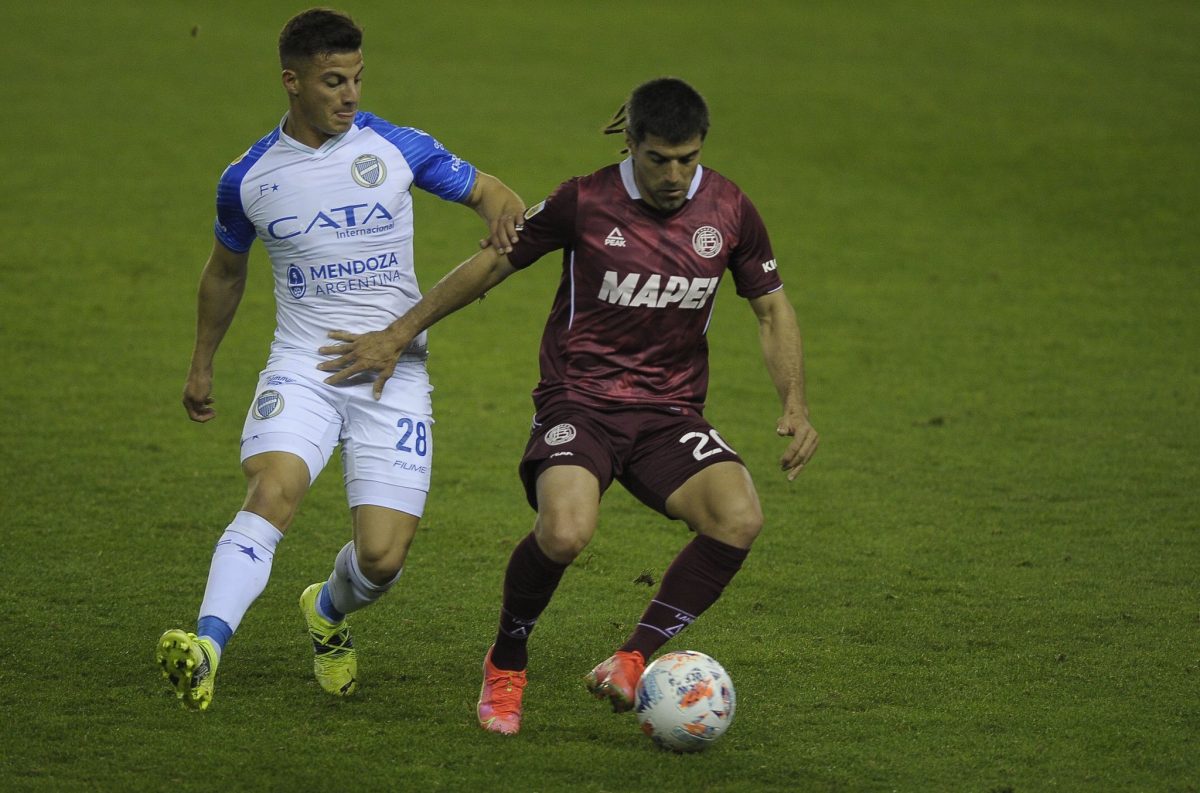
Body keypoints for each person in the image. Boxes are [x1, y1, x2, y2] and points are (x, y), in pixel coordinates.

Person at [318, 77, 818, 734]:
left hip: (669, 414)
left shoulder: (729, 209)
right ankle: (506, 661)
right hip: (578, 402)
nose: (674, 174)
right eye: (659, 158)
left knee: (738, 516)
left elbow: (771, 307)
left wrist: (795, 402)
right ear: (631, 143)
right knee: (565, 530)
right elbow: (491, 264)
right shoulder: (584, 200)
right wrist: (399, 333)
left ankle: (633, 658)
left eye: (687, 158)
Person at [155, 7, 524, 711]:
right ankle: (206, 646)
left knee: (382, 559)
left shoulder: (397, 146)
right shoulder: (248, 178)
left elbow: (493, 195)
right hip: (308, 365)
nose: (350, 95)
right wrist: (202, 362)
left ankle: (326, 610)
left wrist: (505, 221)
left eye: (356, 78)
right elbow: (224, 272)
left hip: (397, 372)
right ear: (292, 82)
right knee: (274, 488)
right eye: (333, 81)